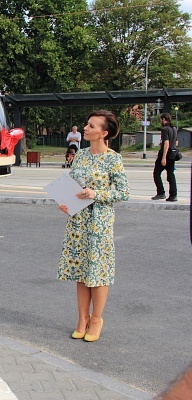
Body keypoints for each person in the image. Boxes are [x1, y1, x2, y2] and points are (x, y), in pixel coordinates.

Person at [57, 110, 129, 342]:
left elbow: (123, 192)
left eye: (91, 126)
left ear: (103, 133)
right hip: (77, 221)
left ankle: (96, 319)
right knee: (80, 270)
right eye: (86, 124)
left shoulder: (113, 159)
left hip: (99, 222)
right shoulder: (81, 155)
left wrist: (96, 193)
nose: (85, 128)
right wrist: (65, 201)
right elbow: (71, 183)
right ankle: (82, 318)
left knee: (97, 272)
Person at [152, 113, 178, 202]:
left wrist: (163, 157)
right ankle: (173, 195)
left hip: (166, 154)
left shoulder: (164, 129)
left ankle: (161, 193)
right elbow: (176, 142)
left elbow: (166, 142)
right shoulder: (174, 129)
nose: (160, 121)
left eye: (161, 120)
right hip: (173, 154)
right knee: (170, 174)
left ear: (164, 119)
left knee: (156, 173)